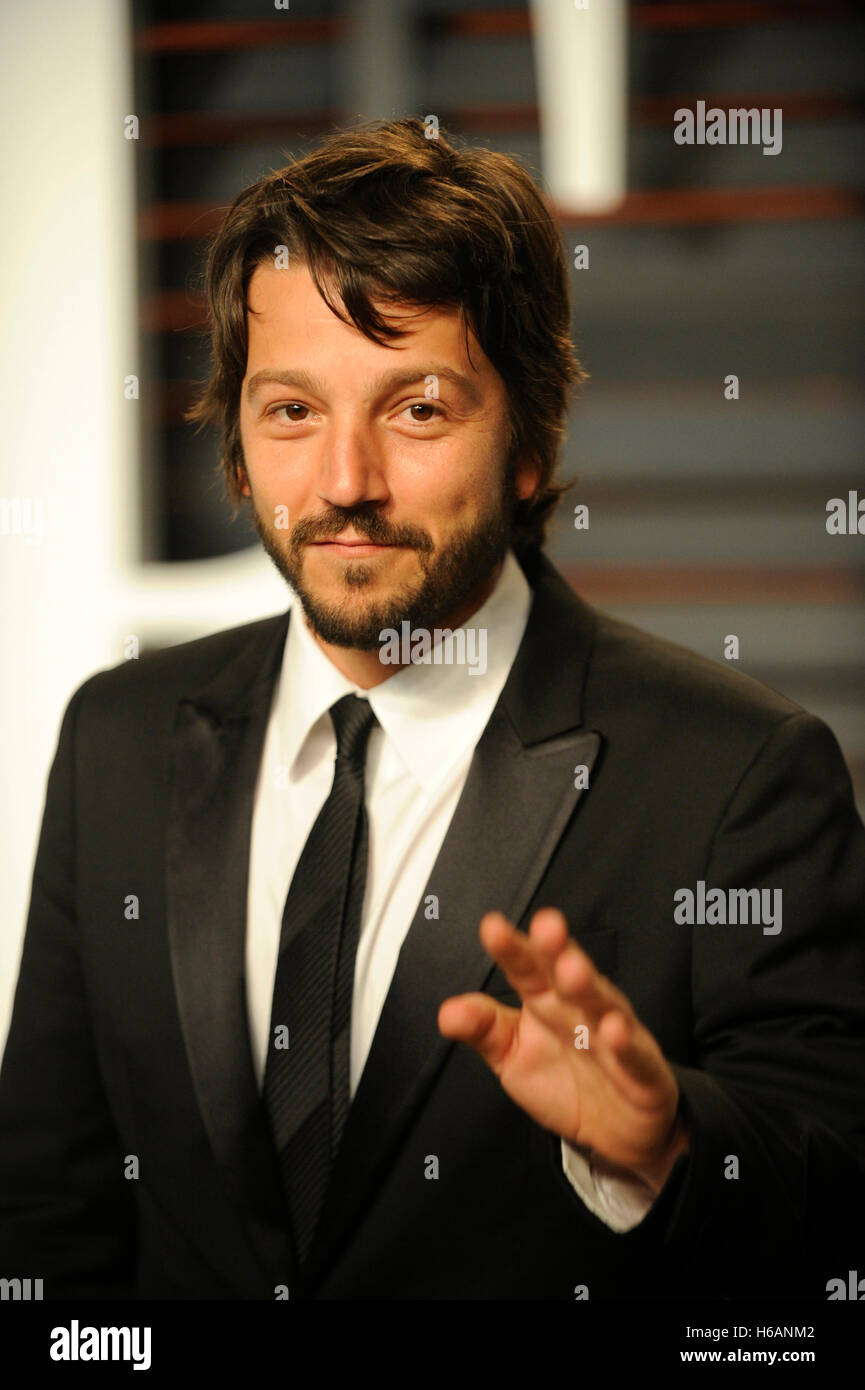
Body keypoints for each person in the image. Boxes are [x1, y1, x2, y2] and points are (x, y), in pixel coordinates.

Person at [1, 117, 863, 1302]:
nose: (345, 480)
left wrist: (667, 1149)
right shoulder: (117, 739)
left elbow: (836, 1226)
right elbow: (50, 1210)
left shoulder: (742, 772)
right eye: (292, 412)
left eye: (416, 409)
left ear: (527, 439)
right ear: (241, 450)